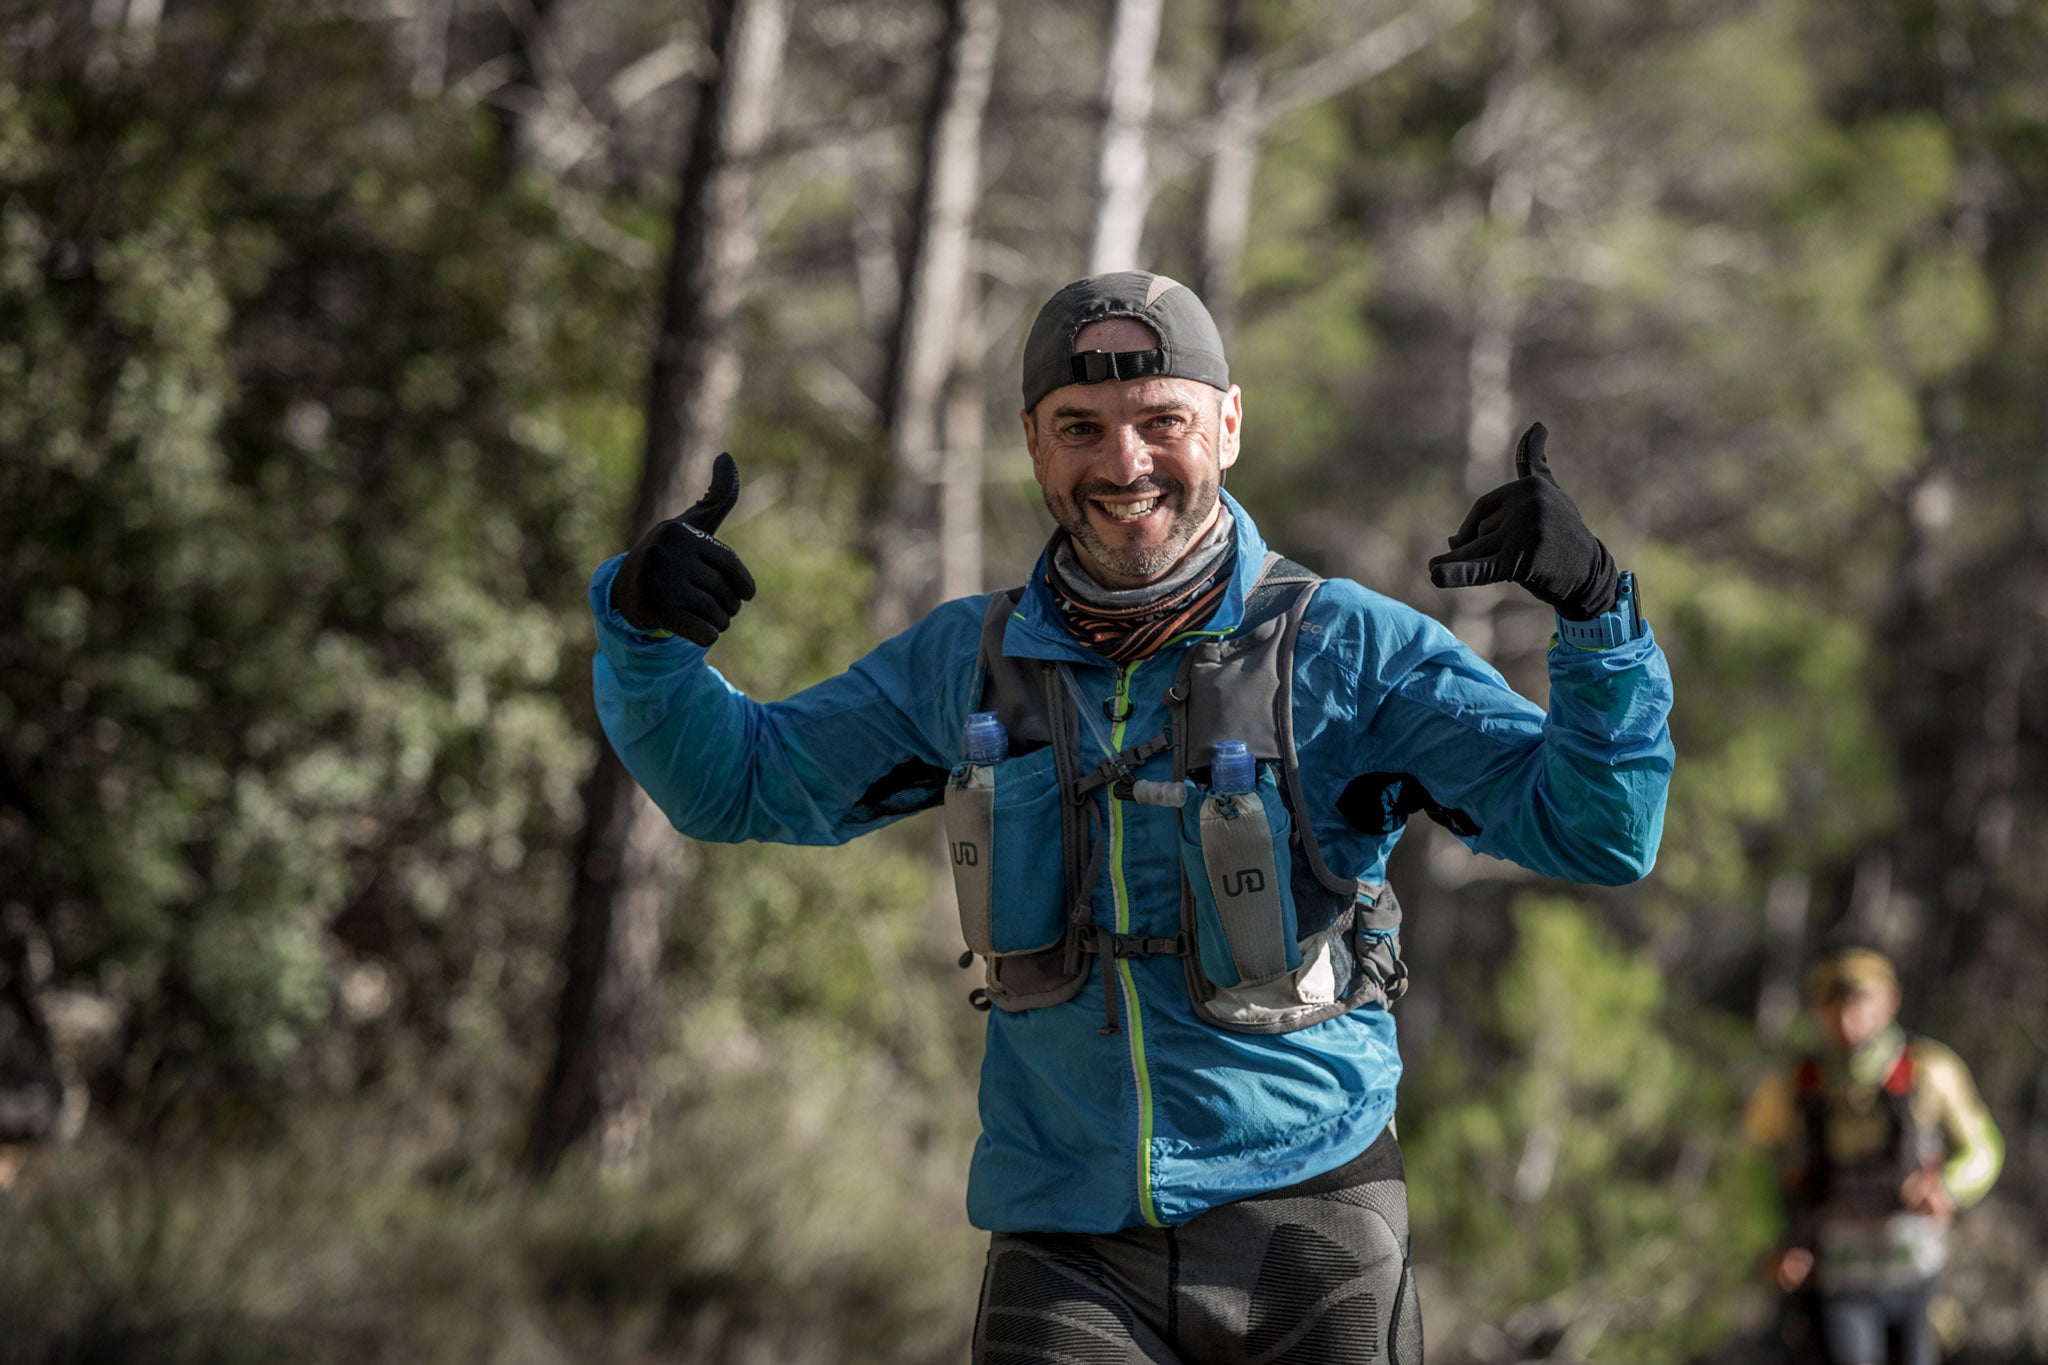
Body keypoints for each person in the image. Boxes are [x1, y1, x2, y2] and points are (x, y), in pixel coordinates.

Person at [591, 271, 1674, 1363]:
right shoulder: (962, 659)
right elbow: (738, 785)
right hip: (1064, 1241)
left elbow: (1596, 830)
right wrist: (642, 638)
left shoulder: (1350, 649)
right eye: (1080, 428)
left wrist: (1592, 614)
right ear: (1031, 442)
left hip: (1311, 1220)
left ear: (1228, 425)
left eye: (1163, 421)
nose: (1123, 464)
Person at [1745, 945, 2004, 1365]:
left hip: (1915, 1275)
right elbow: (1753, 1165)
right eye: (1832, 1005)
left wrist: (1948, 1188)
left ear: (1890, 1000)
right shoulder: (1791, 1085)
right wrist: (1772, 1243)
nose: (1847, 1021)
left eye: (1859, 1003)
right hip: (1836, 1281)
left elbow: (1983, 1148)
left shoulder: (1930, 1070)